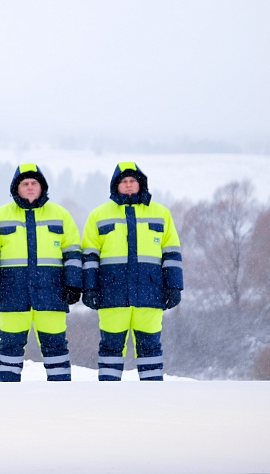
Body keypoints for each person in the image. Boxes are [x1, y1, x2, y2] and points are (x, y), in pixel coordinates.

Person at [0, 163, 82, 382]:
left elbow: (72, 252)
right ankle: (7, 395)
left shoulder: (61, 215)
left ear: (42, 186)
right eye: (25, 183)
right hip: (12, 294)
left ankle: (61, 396)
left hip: (52, 294)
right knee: (10, 347)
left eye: (34, 183)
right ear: (16, 188)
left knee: (56, 348)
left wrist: (74, 284)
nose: (30, 187)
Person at [81, 162, 183, 381]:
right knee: (110, 349)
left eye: (132, 181)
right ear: (115, 186)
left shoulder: (161, 214)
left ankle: (152, 397)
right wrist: (89, 288)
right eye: (124, 182)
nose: (128, 186)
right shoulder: (98, 215)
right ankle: (109, 398)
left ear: (141, 184)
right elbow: (90, 257)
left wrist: (174, 286)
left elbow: (171, 253)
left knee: (150, 350)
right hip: (111, 296)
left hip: (150, 295)